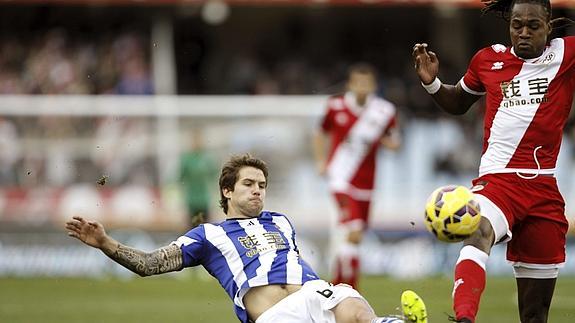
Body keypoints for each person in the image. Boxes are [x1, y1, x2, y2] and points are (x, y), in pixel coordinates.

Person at [65, 154, 427, 323]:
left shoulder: (282, 222)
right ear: (226, 191)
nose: (258, 191)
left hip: (315, 293)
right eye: (249, 184)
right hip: (275, 316)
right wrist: (106, 243)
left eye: (263, 186)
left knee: (356, 309)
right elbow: (149, 264)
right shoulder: (208, 234)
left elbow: (295, 267)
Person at [412, 1, 574, 322]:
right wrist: (432, 82)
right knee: (478, 228)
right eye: (517, 26)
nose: (523, 33)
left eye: (533, 26)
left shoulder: (566, 55)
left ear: (549, 27)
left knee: (535, 313)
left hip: (544, 190)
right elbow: (458, 103)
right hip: (498, 183)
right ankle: (464, 318)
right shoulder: (488, 60)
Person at [313, 63, 401, 290]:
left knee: (355, 237)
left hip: (366, 182)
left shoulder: (383, 111)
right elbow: (321, 132)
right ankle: (350, 288)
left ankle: (338, 287)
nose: (362, 87)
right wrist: (321, 161)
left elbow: (394, 142)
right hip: (340, 179)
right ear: (350, 84)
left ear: (373, 85)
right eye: (358, 82)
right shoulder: (335, 106)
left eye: (366, 82)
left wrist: (382, 141)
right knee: (353, 231)